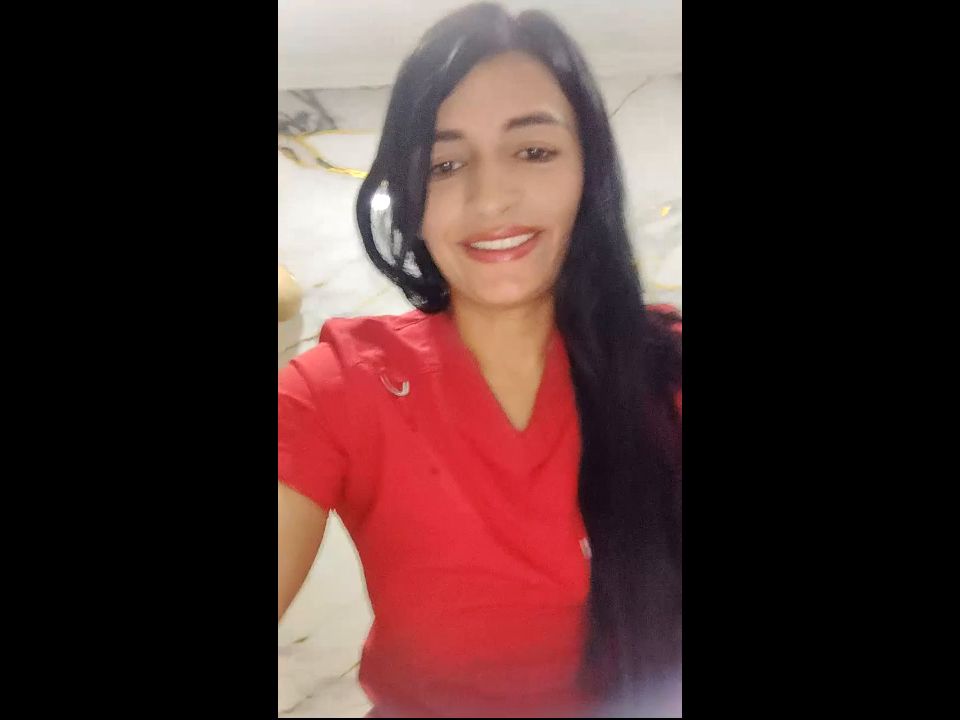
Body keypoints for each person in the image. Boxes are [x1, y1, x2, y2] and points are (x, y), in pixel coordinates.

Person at [278, 3, 681, 716]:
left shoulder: (667, 368)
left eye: (533, 151)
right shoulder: (341, 383)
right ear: (410, 198)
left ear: (588, 172)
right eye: (445, 163)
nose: (490, 198)